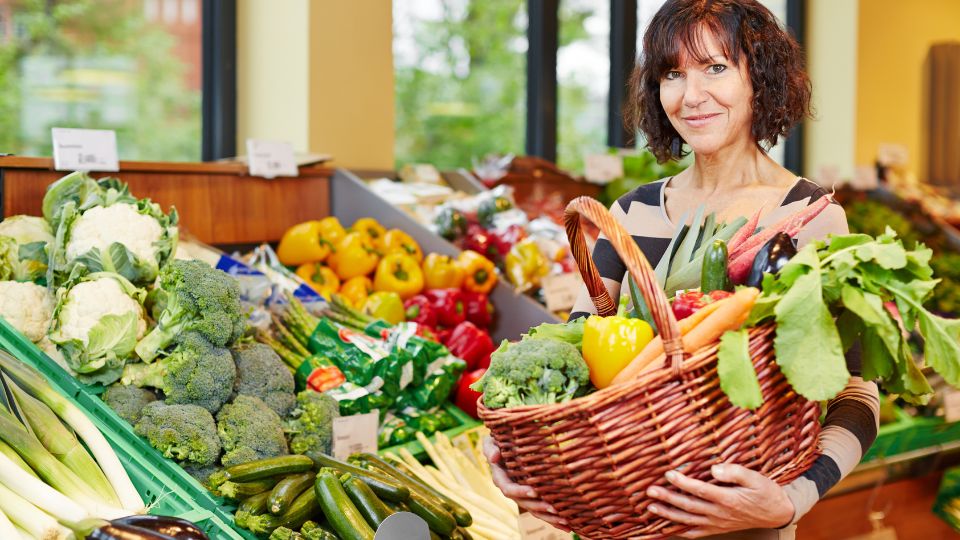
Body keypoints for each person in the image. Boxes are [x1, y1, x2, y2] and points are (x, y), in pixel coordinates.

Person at [483, 1, 880, 538]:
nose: (691, 96)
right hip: (621, 513)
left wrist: (792, 500)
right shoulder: (631, 213)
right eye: (672, 74)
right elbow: (577, 356)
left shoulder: (809, 216)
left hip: (739, 526)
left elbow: (856, 392)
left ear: (760, 78)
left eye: (715, 68)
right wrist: (515, 445)